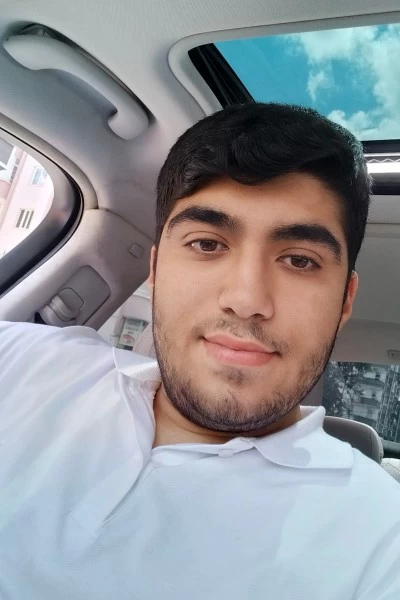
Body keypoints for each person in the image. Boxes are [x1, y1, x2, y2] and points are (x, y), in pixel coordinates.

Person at [0, 103, 399, 600]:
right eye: (207, 244)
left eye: (300, 260)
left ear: (345, 300)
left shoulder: (380, 539)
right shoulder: (22, 359)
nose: (246, 299)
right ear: (155, 270)